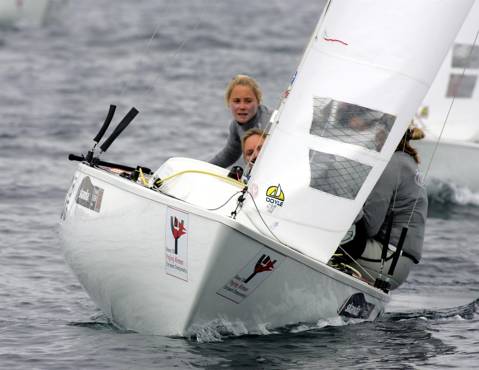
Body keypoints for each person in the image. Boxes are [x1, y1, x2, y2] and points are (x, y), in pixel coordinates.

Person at [336, 125, 428, 290]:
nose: (372, 136)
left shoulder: (392, 164)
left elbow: (370, 227)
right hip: (397, 261)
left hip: (388, 260)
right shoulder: (404, 160)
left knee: (323, 239)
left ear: (385, 135)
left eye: (376, 131)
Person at [209, 74, 271, 168]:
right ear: (228, 103)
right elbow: (229, 155)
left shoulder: (269, 122)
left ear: (258, 102)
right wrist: (203, 168)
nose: (242, 107)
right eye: (237, 101)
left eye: (248, 101)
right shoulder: (235, 126)